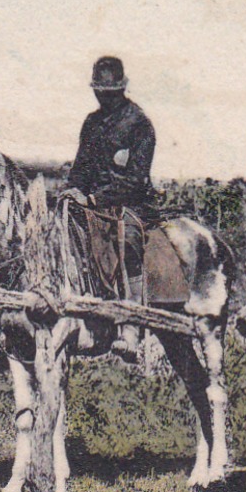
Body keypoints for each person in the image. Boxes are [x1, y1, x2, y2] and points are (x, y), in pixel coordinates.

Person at [61, 56, 155, 361]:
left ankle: (131, 326)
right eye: (100, 91)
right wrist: (73, 190)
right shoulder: (91, 123)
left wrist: (95, 199)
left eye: (110, 91)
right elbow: (80, 169)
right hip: (93, 206)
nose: (104, 97)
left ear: (122, 89)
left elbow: (136, 180)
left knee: (127, 239)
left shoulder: (139, 124)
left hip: (130, 204)